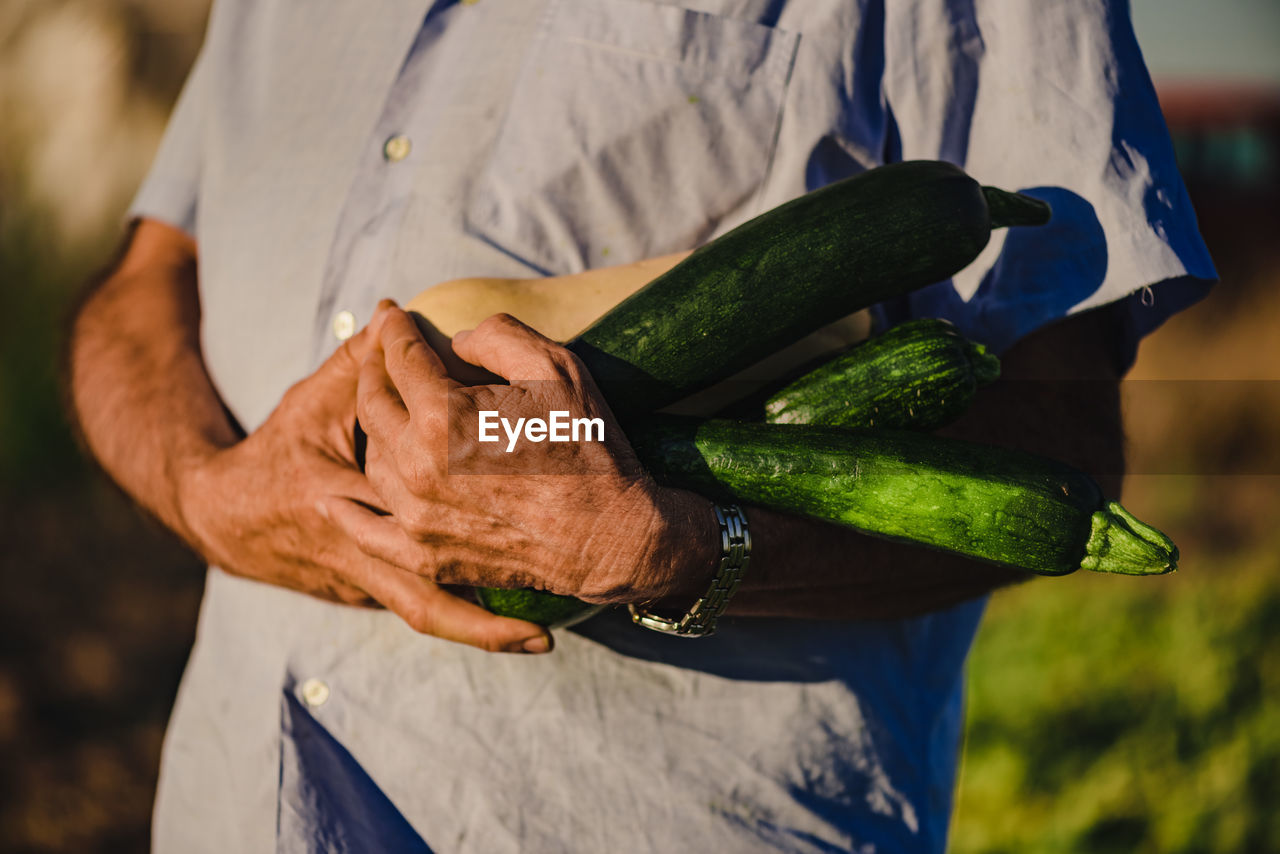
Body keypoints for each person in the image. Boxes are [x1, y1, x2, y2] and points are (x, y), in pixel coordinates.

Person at [67, 1, 1215, 851]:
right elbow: (145, 278)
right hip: (241, 797)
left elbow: (1056, 449)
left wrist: (674, 546)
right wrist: (206, 491)